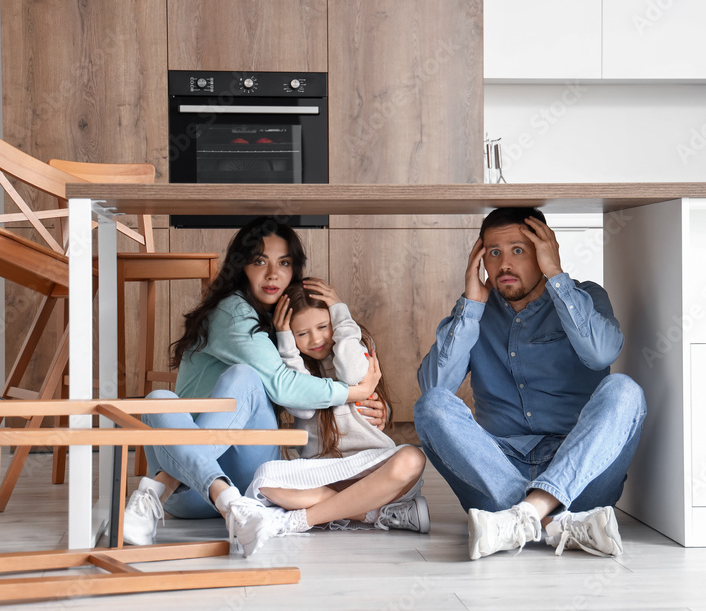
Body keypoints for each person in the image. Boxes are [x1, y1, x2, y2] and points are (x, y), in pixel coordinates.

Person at [122, 216, 386, 557]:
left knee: (240, 379)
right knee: (160, 399)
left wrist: (362, 406)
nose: (273, 274)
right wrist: (355, 393)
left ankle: (156, 491)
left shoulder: (282, 325)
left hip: (226, 479)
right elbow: (283, 386)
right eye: (260, 261)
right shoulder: (233, 313)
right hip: (205, 496)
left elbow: (305, 385)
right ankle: (228, 503)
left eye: (284, 263)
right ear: (241, 267)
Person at [415, 207, 647, 560]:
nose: (504, 264)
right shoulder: (473, 312)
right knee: (431, 405)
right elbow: (435, 388)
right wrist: (472, 305)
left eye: (518, 250)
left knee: (625, 391)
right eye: (494, 252)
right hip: (496, 470)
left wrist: (556, 275)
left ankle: (523, 517)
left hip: (579, 467)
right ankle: (557, 523)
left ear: (544, 251)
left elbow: (601, 354)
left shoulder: (584, 296)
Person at [242, 279, 429, 535]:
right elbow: (303, 407)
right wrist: (285, 343)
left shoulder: (353, 348)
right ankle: (376, 515)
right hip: (325, 472)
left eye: (323, 326)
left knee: (413, 457)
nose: (316, 339)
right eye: (302, 333)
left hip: (373, 468)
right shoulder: (294, 368)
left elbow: (352, 374)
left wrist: (341, 312)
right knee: (265, 480)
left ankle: (301, 520)